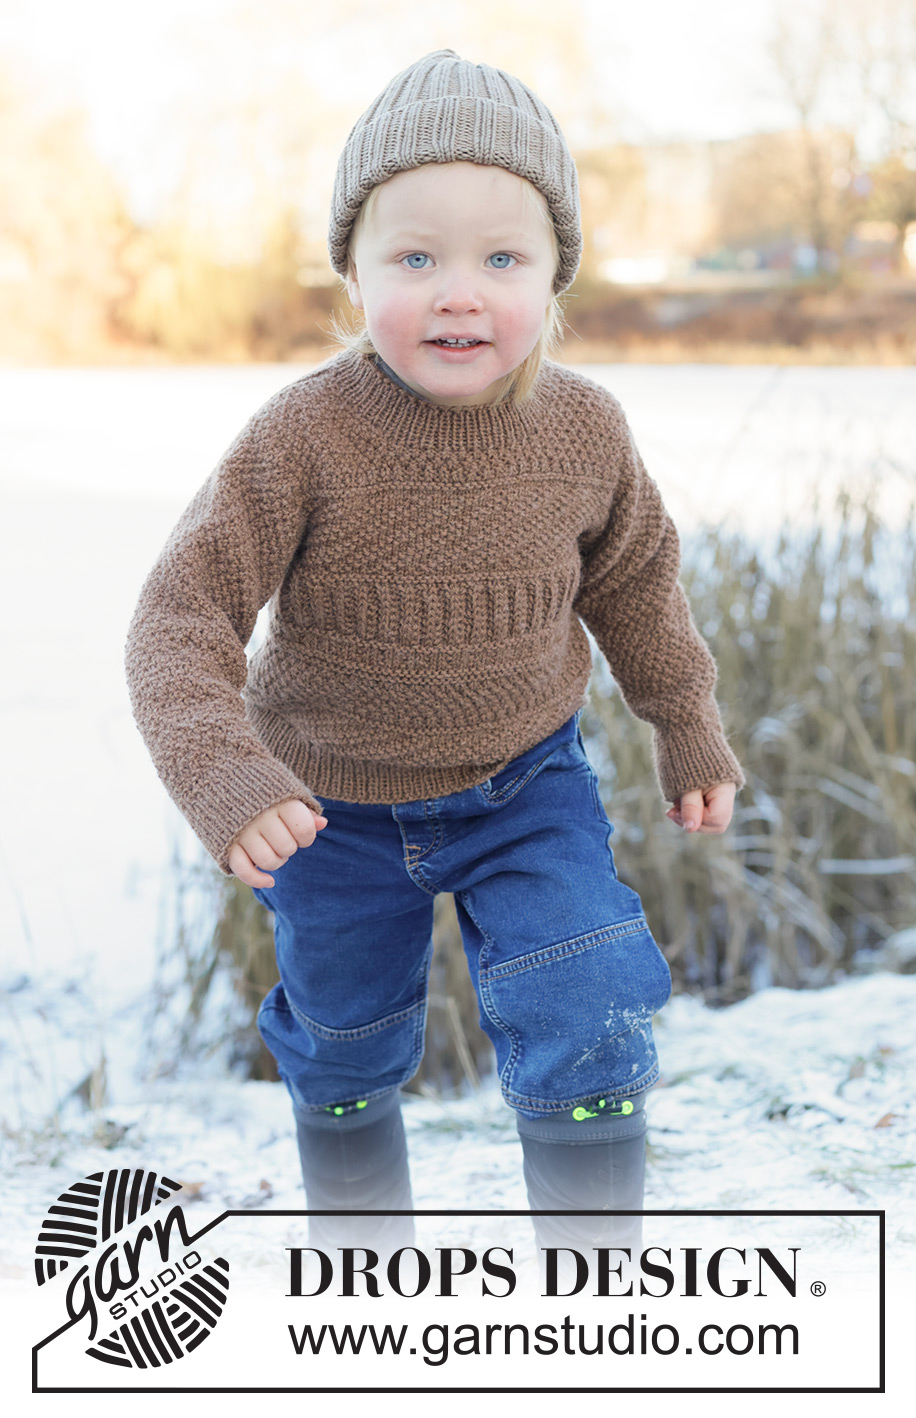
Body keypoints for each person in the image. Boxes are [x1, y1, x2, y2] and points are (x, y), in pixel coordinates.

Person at [125, 49, 743, 1269]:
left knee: (588, 997)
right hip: (327, 811)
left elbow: (635, 587)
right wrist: (228, 777)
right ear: (351, 272)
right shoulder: (303, 435)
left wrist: (686, 721)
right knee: (346, 1039)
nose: (459, 292)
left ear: (555, 273)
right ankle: (365, 1278)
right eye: (414, 257)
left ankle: (596, 1284)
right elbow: (176, 616)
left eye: (501, 259)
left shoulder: (585, 429)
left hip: (527, 786)